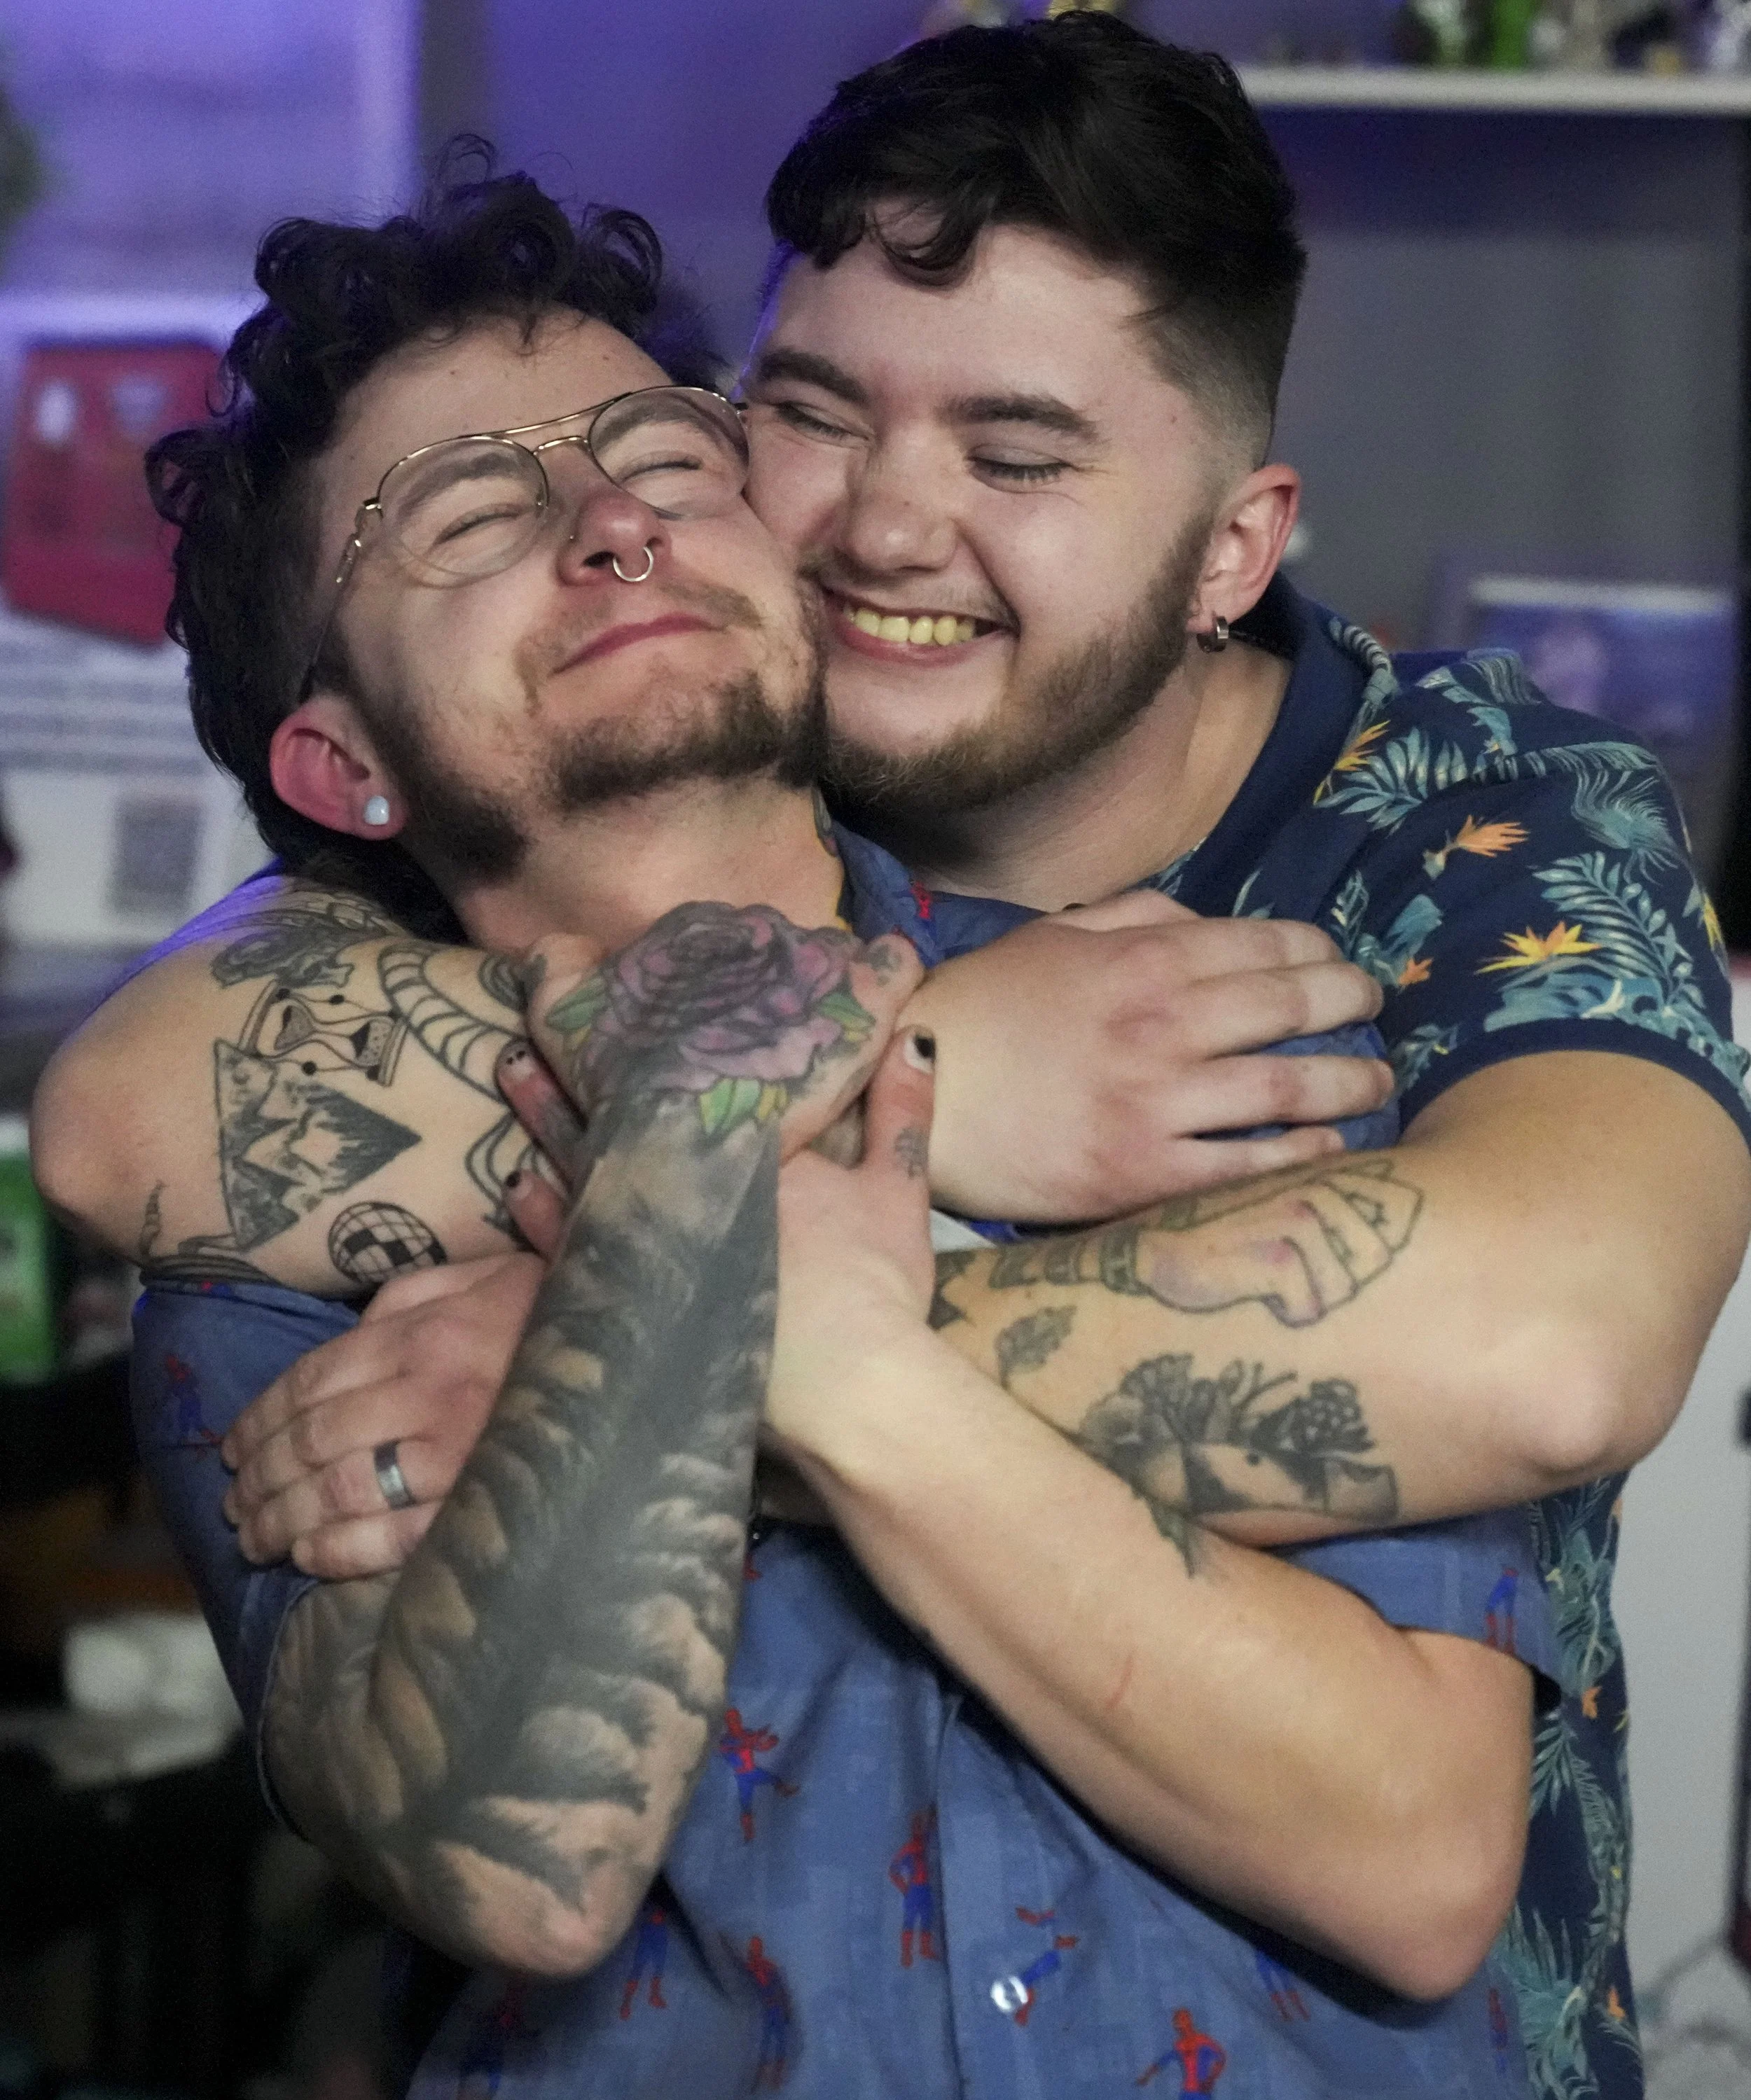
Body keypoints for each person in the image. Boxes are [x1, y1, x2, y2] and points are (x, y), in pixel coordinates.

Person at [32, 14, 1751, 2096]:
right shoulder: (321, 1141)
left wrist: (677, 1332)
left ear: (1235, 547)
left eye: (1016, 456)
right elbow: (121, 1112)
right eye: (800, 418)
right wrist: (831, 1127)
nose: (880, 531)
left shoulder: (1228, 1002)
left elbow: (1523, 1426)